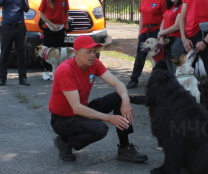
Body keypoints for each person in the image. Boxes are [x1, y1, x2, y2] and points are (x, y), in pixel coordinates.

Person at [49, 35, 148, 163]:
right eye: (88, 52)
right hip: (63, 120)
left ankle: (124, 149)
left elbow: (118, 84)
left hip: (81, 112)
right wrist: (109, 118)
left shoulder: (94, 64)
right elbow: (77, 108)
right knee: (100, 129)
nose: (92, 55)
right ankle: (65, 142)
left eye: (94, 52)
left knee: (118, 97)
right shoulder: (65, 70)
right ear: (76, 52)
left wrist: (126, 100)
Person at [126, 0, 165, 89]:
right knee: (140, 55)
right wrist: (140, 31)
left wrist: (161, 34)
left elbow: (165, 17)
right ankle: (134, 79)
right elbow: (142, 15)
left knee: (157, 55)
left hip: (156, 30)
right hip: (145, 30)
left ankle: (156, 80)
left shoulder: (162, 0)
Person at [0, 0, 30, 86]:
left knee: (21, 52)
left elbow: (26, 9)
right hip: (7, 26)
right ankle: (2, 78)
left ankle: (23, 78)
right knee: (5, 52)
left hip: (20, 26)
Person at [37, 0, 69, 80]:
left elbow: (66, 11)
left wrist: (65, 24)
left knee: (59, 49)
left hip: (60, 27)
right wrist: (51, 24)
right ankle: (46, 70)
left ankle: (58, 71)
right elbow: (41, 14)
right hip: (48, 26)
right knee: (47, 49)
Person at [156, 0, 185, 76]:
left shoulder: (182, 6)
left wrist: (161, 33)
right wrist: (161, 36)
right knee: (169, 65)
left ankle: (179, 87)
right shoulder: (170, 6)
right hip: (167, 39)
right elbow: (164, 21)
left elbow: (177, 26)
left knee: (177, 65)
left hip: (177, 39)